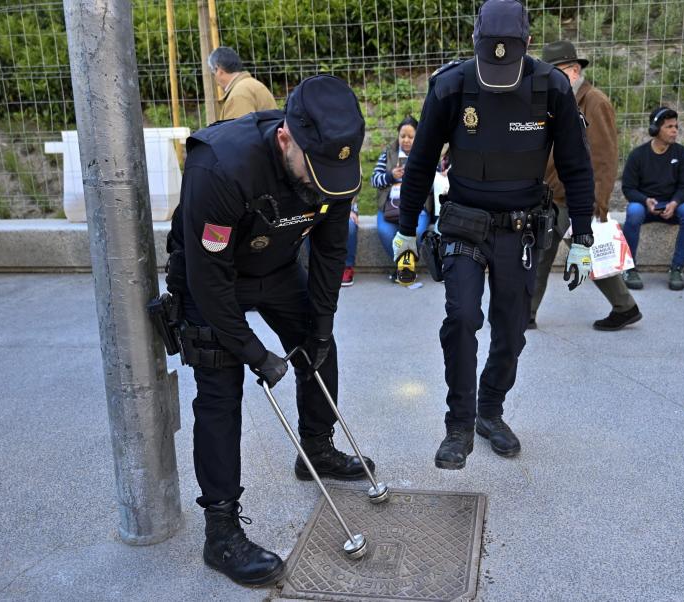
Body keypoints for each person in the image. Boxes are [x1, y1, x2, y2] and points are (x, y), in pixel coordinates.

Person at [165, 75, 375, 587]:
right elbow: (208, 279)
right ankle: (221, 530)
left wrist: (320, 327)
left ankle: (317, 450)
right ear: (286, 138)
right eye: (316, 167)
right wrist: (254, 352)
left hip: (278, 269)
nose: (327, 179)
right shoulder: (220, 165)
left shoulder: (333, 169)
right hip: (212, 274)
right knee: (220, 386)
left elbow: (328, 252)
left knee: (319, 349)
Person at [392, 0, 597, 470]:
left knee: (512, 329)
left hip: (521, 230)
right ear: (475, 44)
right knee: (462, 319)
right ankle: (458, 424)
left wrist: (582, 236)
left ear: (527, 44)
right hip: (464, 224)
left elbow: (576, 167)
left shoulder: (552, 89)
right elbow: (421, 161)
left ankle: (490, 411)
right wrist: (406, 231)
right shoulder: (451, 86)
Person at [531, 40, 642, 332]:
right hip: (551, 195)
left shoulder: (595, 103)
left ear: (575, 70)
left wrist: (599, 202)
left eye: (555, 73)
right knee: (542, 254)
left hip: (574, 198)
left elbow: (605, 158)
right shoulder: (558, 101)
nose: (549, 80)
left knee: (588, 253)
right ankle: (526, 313)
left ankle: (625, 306)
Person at [620, 107, 684, 291]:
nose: (674, 131)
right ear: (655, 129)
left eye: (676, 126)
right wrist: (645, 200)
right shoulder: (638, 155)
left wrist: (675, 202)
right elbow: (628, 188)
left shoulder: (682, 153)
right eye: (669, 126)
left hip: (671, 206)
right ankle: (629, 268)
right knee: (633, 211)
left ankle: (677, 268)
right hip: (645, 205)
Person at [370, 116, 431, 268]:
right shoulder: (388, 153)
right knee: (385, 233)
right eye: (402, 136)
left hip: (417, 206)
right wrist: (391, 176)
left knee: (417, 232)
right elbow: (374, 180)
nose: (406, 140)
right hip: (390, 206)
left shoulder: (425, 153)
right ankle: (402, 268)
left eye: (411, 137)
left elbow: (433, 182)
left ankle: (406, 267)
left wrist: (415, 179)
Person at [208, 46, 276, 121]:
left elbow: (240, 131)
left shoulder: (238, 95)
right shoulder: (251, 84)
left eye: (213, 73)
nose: (215, 79)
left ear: (219, 69)